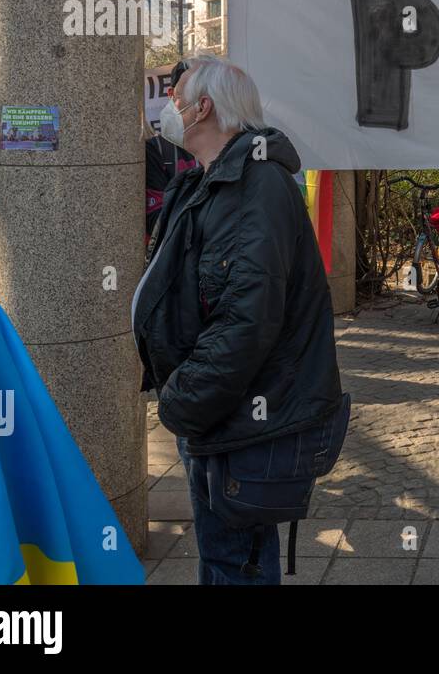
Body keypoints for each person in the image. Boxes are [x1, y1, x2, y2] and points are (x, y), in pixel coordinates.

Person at [131, 55, 344, 585]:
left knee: (234, 564)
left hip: (236, 417)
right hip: (222, 413)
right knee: (227, 557)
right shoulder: (214, 180)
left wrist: (183, 398)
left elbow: (246, 319)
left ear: (203, 108)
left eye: (176, 98)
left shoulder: (255, 187)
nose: (169, 109)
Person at [145, 60, 198, 239]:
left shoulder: (232, 145)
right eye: (191, 91)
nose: (200, 102)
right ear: (171, 94)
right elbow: (157, 223)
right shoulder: (157, 149)